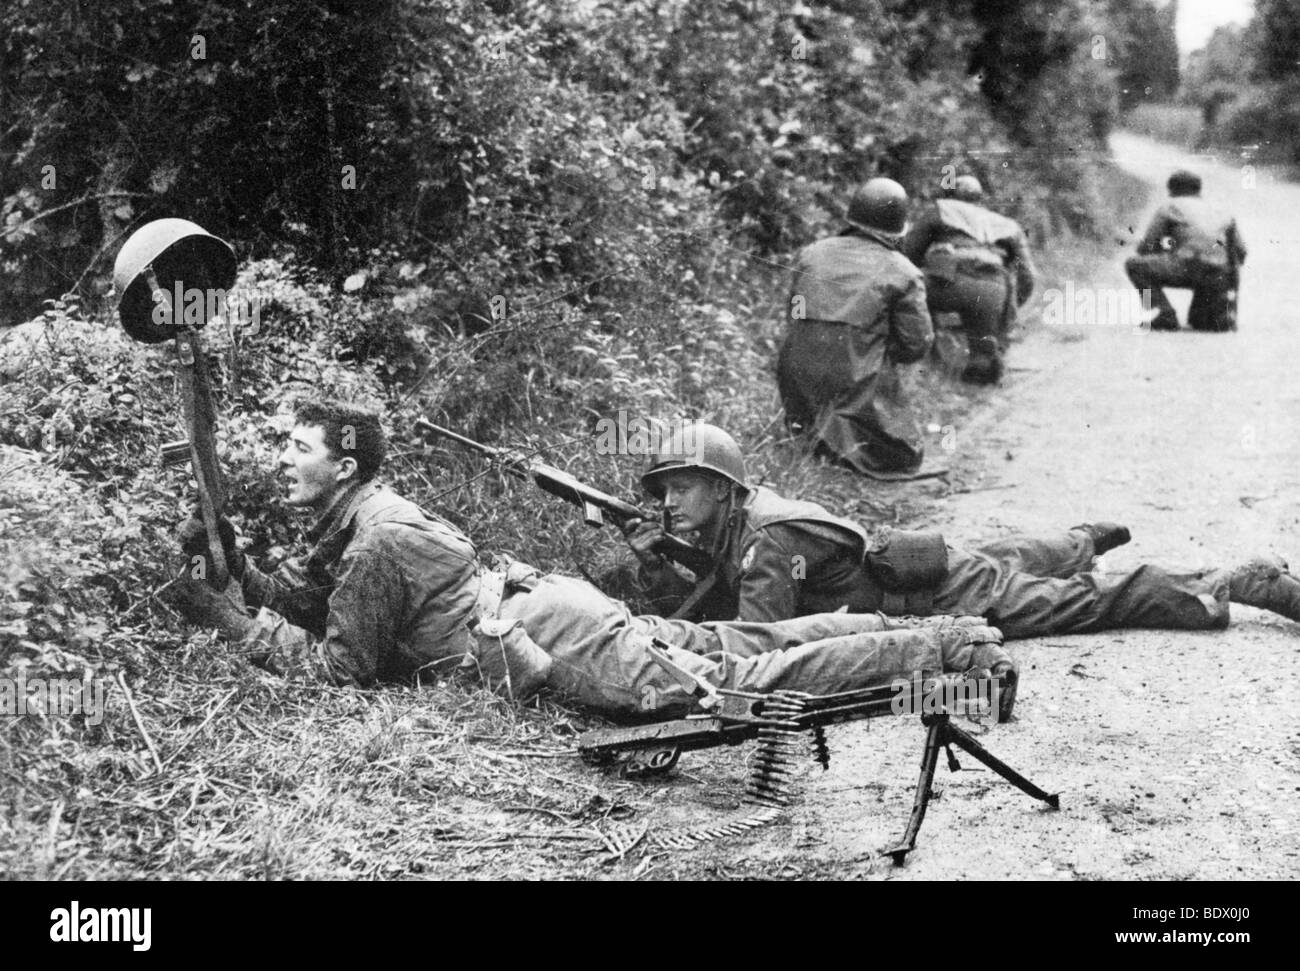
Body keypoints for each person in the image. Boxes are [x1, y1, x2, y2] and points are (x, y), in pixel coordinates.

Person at [166, 400, 1016, 722]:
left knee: (732, 691)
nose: (281, 458)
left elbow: (341, 667)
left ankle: (933, 647)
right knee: (736, 648)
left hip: (552, 630)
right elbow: (313, 604)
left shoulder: (379, 537)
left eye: (296, 446)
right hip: (548, 609)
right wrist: (239, 570)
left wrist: (231, 621)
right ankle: (922, 631)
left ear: (341, 467)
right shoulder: (362, 527)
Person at [623, 421, 1300, 637]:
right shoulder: (743, 522)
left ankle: (1228, 583)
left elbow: (758, 643)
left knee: (1078, 604)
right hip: (919, 567)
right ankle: (1076, 543)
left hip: (936, 592)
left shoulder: (764, 538)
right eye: (664, 491)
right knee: (1002, 555)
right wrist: (659, 565)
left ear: (720, 488)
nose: (669, 503)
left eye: (679, 488)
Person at [777, 177, 934, 478]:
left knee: (816, 429)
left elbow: (793, 316)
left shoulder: (811, 253)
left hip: (796, 379)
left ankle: (818, 437)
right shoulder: (903, 271)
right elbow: (917, 344)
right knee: (904, 456)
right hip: (857, 379)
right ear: (898, 226)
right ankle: (844, 440)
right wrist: (878, 350)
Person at [902, 175, 1036, 385]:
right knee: (982, 359)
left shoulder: (941, 209)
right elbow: (1028, 277)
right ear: (980, 199)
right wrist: (1009, 307)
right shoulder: (1008, 225)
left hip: (946, 281)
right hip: (993, 288)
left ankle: (927, 356)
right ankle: (982, 358)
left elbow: (908, 255)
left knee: (911, 299)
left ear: (952, 194)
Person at [1124, 169, 1247, 332]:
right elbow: (1241, 252)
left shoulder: (1170, 207)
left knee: (1134, 265)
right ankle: (1222, 312)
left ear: (1172, 190)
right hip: (1217, 276)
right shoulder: (1221, 211)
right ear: (1198, 189)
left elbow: (1146, 248)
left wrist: (1166, 251)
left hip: (1187, 266)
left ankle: (1162, 313)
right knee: (1203, 324)